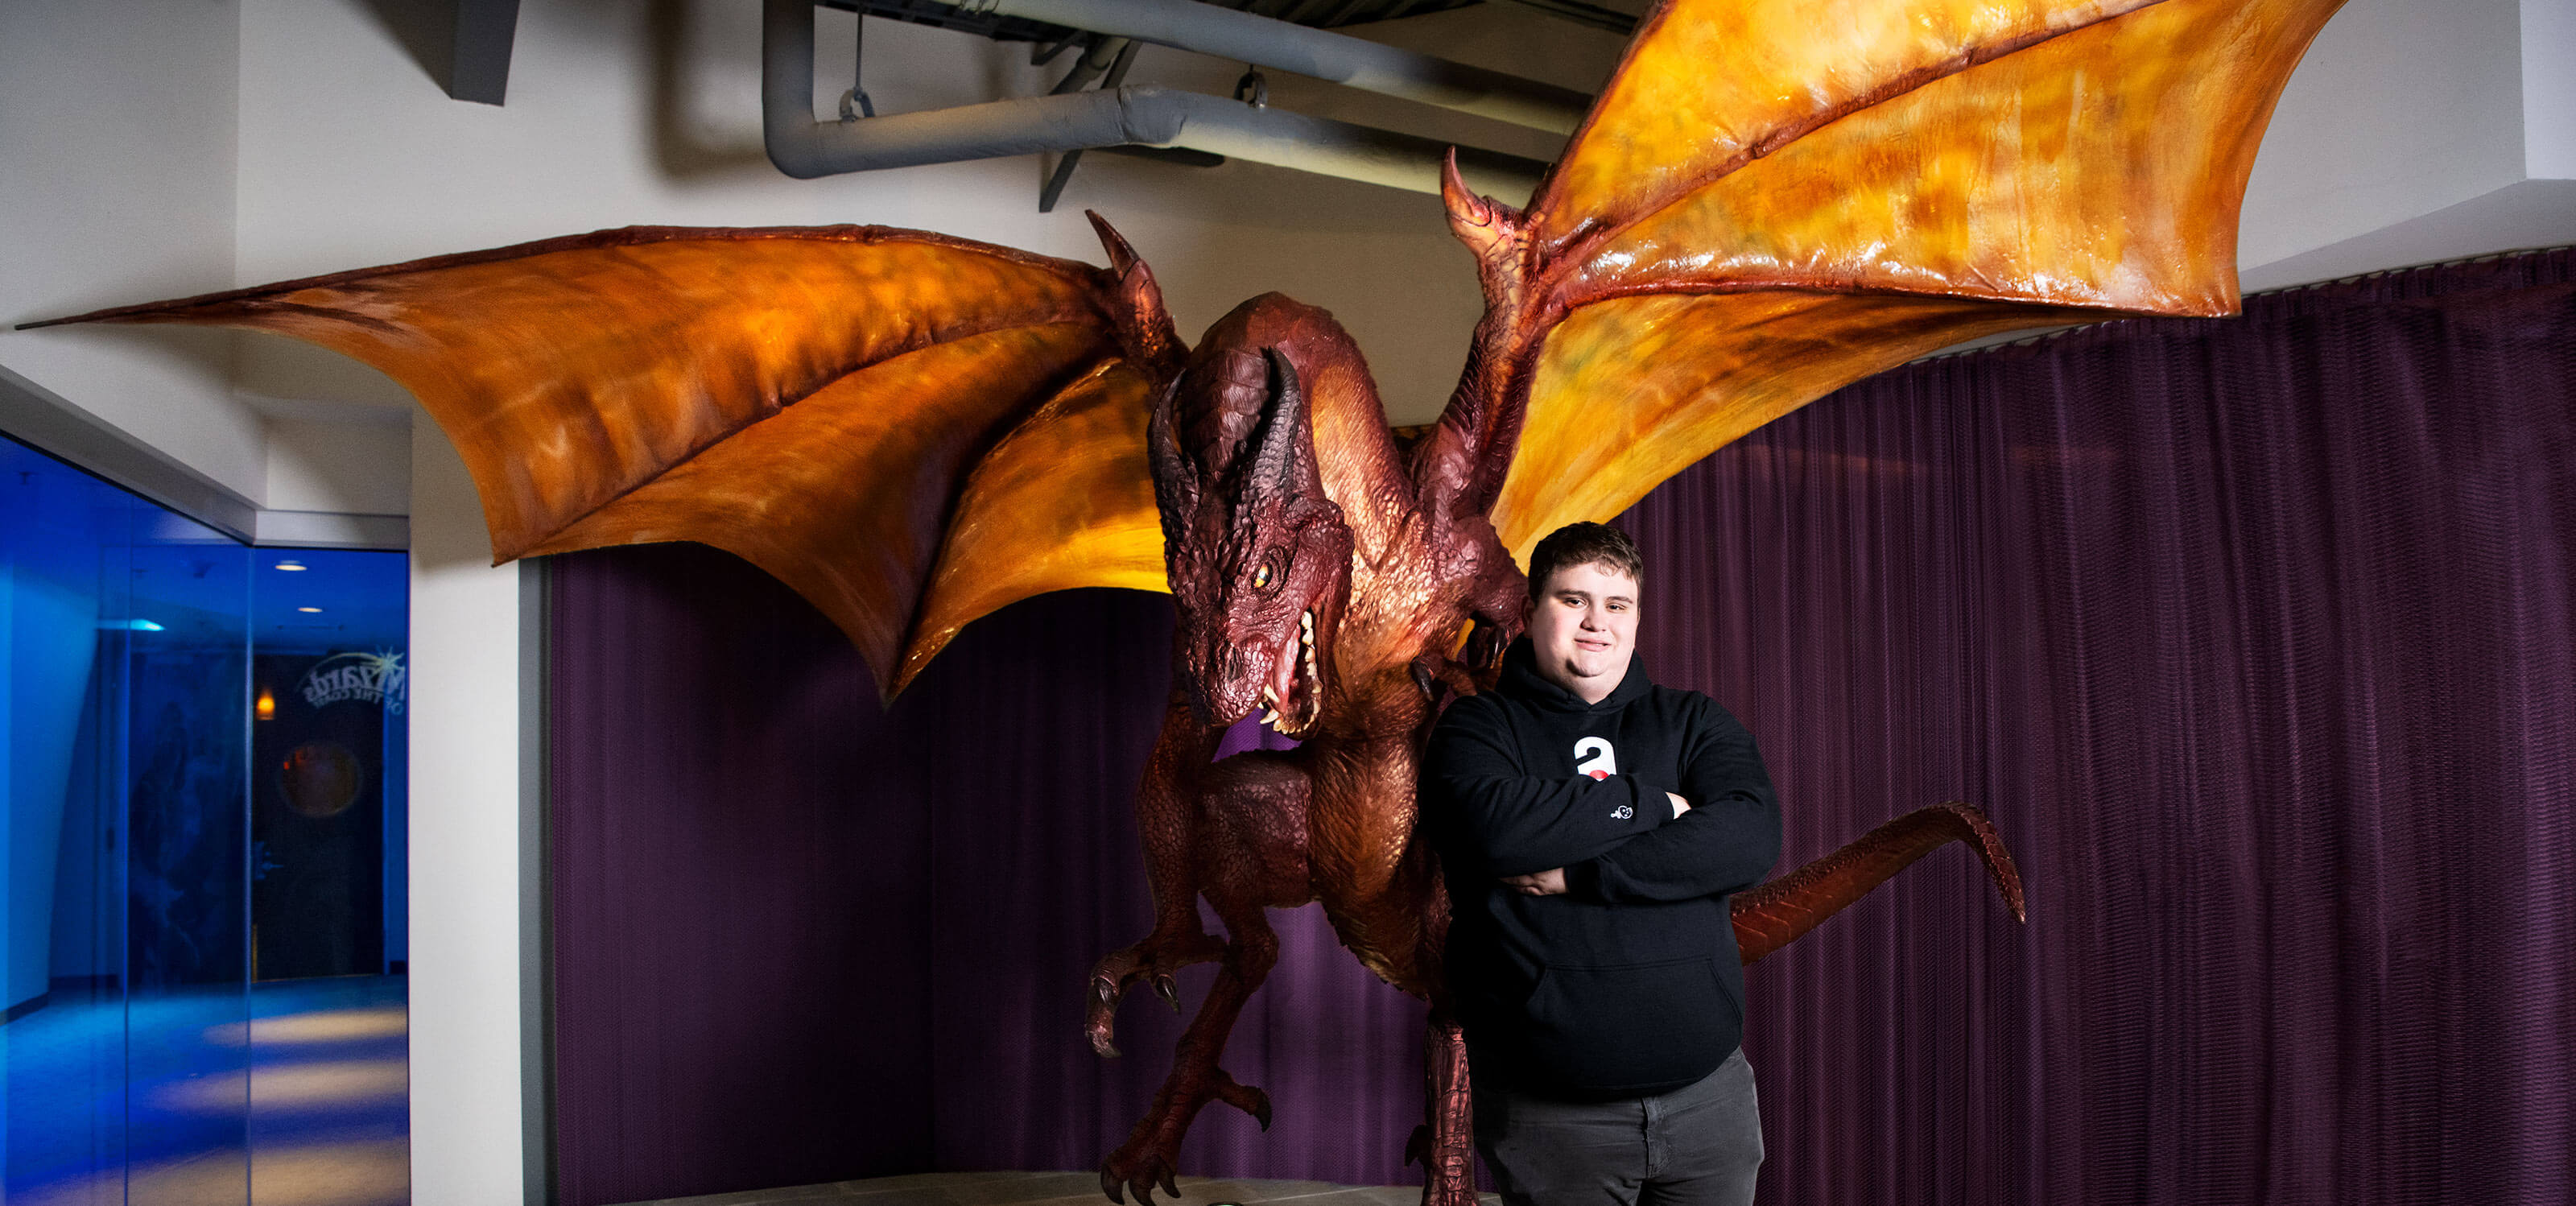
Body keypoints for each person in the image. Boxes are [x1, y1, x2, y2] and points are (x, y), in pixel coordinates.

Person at [1422, 521, 1782, 1206]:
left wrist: (1581, 872)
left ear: (1637, 619)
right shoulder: (1478, 729)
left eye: (1616, 605)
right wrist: (1654, 805)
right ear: (1530, 615)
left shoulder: (1695, 723)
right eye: (1573, 600)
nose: (1597, 623)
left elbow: (1749, 838)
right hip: (1554, 1117)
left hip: (1711, 1102)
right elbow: (1498, 831)